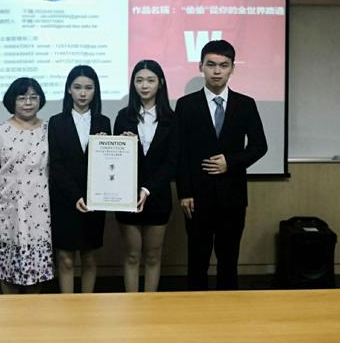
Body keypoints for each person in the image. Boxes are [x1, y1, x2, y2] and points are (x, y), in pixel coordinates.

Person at [175, 40, 267, 290]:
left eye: (223, 65)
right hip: (196, 197)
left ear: (232, 68)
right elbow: (180, 153)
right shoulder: (186, 105)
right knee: (197, 261)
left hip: (232, 195)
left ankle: (229, 310)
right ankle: (196, 308)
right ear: (201, 67)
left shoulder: (246, 104)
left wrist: (231, 162)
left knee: (229, 260)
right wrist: (184, 192)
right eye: (211, 65)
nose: (217, 71)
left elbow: (259, 146)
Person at [0, 77, 53, 294]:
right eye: (22, 98)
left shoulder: (50, 129)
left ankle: (32, 310)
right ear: (12, 100)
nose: (28, 102)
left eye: (33, 97)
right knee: (7, 269)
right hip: (8, 209)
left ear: (40, 100)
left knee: (37, 268)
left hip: (41, 211)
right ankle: (9, 309)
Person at [114, 60, 177, 292]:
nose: (144, 85)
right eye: (139, 80)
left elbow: (172, 162)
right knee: (132, 255)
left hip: (157, 196)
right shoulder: (123, 116)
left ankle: (150, 304)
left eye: (150, 80)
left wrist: (147, 189)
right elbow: (115, 160)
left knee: (153, 255)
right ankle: (131, 304)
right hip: (127, 196)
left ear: (160, 83)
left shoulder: (172, 119)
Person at [48, 65, 111, 293]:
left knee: (90, 257)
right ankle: (67, 306)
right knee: (65, 259)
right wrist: (75, 196)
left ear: (95, 90)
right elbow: (56, 165)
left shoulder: (104, 121)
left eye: (88, 88)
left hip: (95, 198)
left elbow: (109, 163)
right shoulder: (56, 121)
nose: (83, 93)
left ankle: (88, 306)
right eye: (77, 87)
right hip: (65, 199)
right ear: (68, 90)